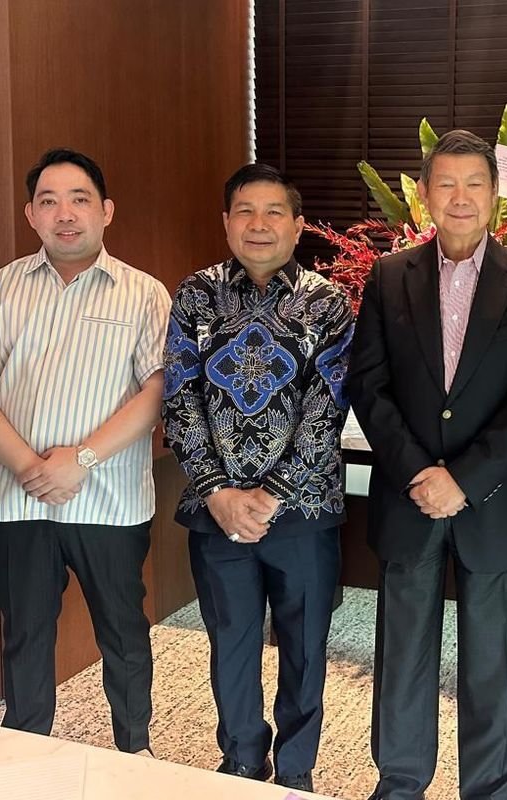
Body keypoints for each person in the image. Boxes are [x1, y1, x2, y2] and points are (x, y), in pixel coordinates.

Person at [347, 129, 507, 800]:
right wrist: (420, 474)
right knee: (403, 654)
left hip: (490, 503)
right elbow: (368, 385)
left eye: (474, 183)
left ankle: (491, 789)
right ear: (424, 194)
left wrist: (464, 479)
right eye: (446, 183)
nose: (460, 197)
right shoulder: (389, 277)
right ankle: (400, 781)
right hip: (408, 497)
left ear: (496, 194)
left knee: (495, 660)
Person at [0, 148, 169, 755]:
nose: (65, 214)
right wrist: (30, 467)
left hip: (110, 500)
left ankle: (135, 750)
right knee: (24, 635)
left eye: (79, 199)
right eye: (49, 201)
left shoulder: (144, 294)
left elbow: (156, 393)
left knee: (123, 631)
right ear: (31, 215)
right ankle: (25, 750)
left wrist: (81, 459)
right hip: (17, 499)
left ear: (106, 211)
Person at [161, 163, 353, 793]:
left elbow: (328, 410)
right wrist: (218, 491)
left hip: (303, 511)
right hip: (216, 512)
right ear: (226, 222)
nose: (259, 224)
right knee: (231, 642)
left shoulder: (327, 302)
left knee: (305, 647)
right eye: (245, 211)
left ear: (297, 226)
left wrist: (271, 495)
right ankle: (242, 759)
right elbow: (179, 399)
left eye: (274, 212)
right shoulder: (196, 295)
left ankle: (295, 769)